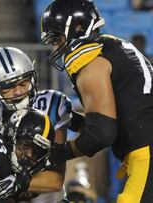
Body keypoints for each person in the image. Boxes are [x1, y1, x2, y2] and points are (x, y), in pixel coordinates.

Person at [40, 0, 153, 202]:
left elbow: (101, 134)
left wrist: (59, 152)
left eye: (57, 38)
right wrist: (71, 118)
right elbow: (116, 120)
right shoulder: (109, 45)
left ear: (78, 28)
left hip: (146, 152)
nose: (55, 46)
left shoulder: (89, 60)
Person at [0, 47, 72, 202]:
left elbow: (55, 180)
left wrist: (19, 182)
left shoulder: (50, 106)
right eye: (8, 87)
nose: (18, 92)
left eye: (23, 83)